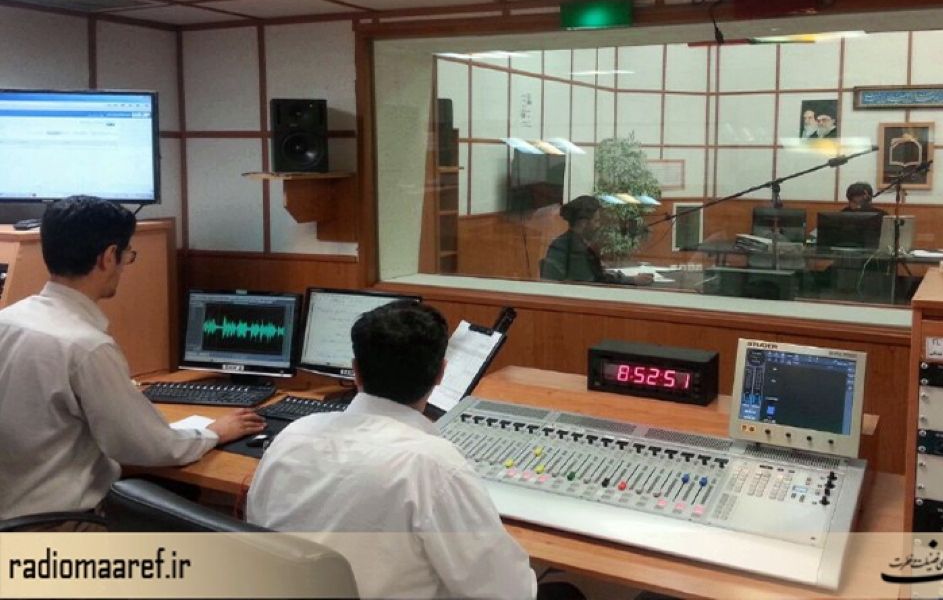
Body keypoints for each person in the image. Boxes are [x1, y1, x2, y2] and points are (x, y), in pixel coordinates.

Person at [247, 302, 582, 600]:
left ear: (356, 370)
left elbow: (256, 527)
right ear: (441, 374)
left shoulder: (292, 436)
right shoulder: (434, 466)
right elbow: (508, 593)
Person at [0, 196, 264, 523]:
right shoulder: (86, 347)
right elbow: (150, 447)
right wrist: (216, 432)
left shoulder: (8, 320)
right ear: (109, 257)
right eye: (128, 255)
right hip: (61, 527)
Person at [540, 195, 652, 285]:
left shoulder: (573, 243)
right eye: (596, 221)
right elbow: (595, 283)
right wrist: (632, 280)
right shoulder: (572, 248)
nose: (599, 226)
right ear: (583, 223)